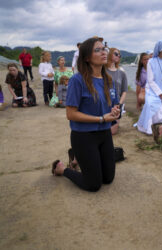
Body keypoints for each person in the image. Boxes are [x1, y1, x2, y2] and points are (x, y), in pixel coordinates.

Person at [52, 37, 120, 192]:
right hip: (84, 136)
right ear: (87, 57)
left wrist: (115, 111)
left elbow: (114, 104)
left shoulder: (108, 80)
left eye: (104, 49)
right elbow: (71, 114)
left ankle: (76, 158)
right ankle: (62, 169)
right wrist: (102, 118)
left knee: (108, 179)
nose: (103, 52)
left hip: (104, 134)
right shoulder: (77, 80)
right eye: (98, 50)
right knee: (93, 184)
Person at [136, 40, 162, 135]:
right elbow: (150, 81)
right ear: (160, 49)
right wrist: (161, 95)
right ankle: (149, 127)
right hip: (153, 92)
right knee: (150, 104)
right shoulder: (151, 62)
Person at [106, 48, 128, 134]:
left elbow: (124, 91)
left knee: (112, 132)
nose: (118, 56)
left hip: (116, 105)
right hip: (104, 103)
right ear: (109, 54)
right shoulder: (102, 71)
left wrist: (119, 104)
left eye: (119, 55)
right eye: (116, 54)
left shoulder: (122, 73)